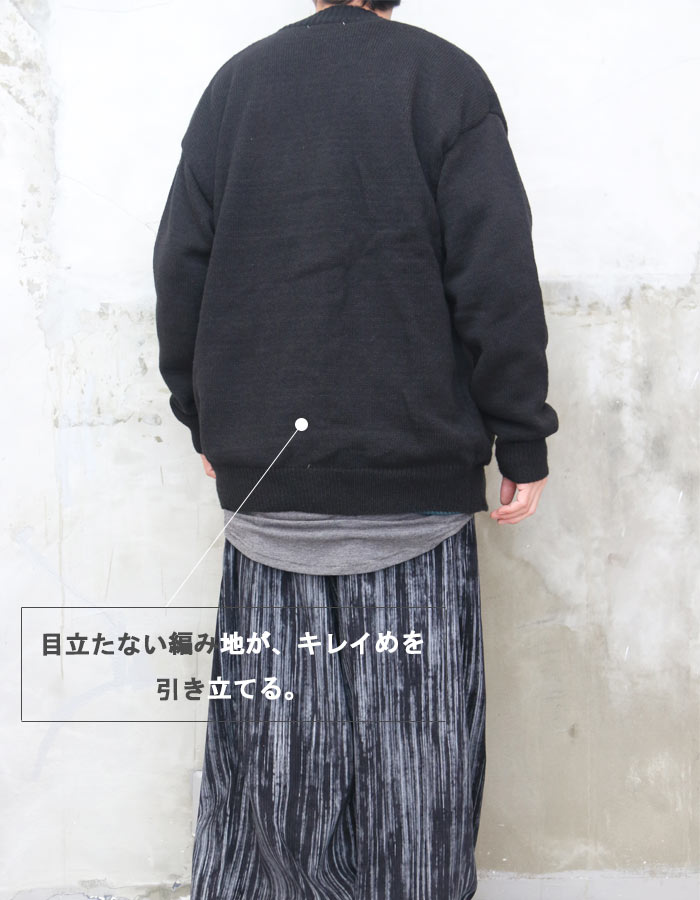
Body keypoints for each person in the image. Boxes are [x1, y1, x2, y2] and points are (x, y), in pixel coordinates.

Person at [153, 0, 559, 897]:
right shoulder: (443, 80)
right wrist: (521, 436)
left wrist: (205, 418)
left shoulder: (237, 88)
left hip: (271, 491)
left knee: (276, 763)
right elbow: (495, 271)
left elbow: (180, 268)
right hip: (414, 496)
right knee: (416, 762)